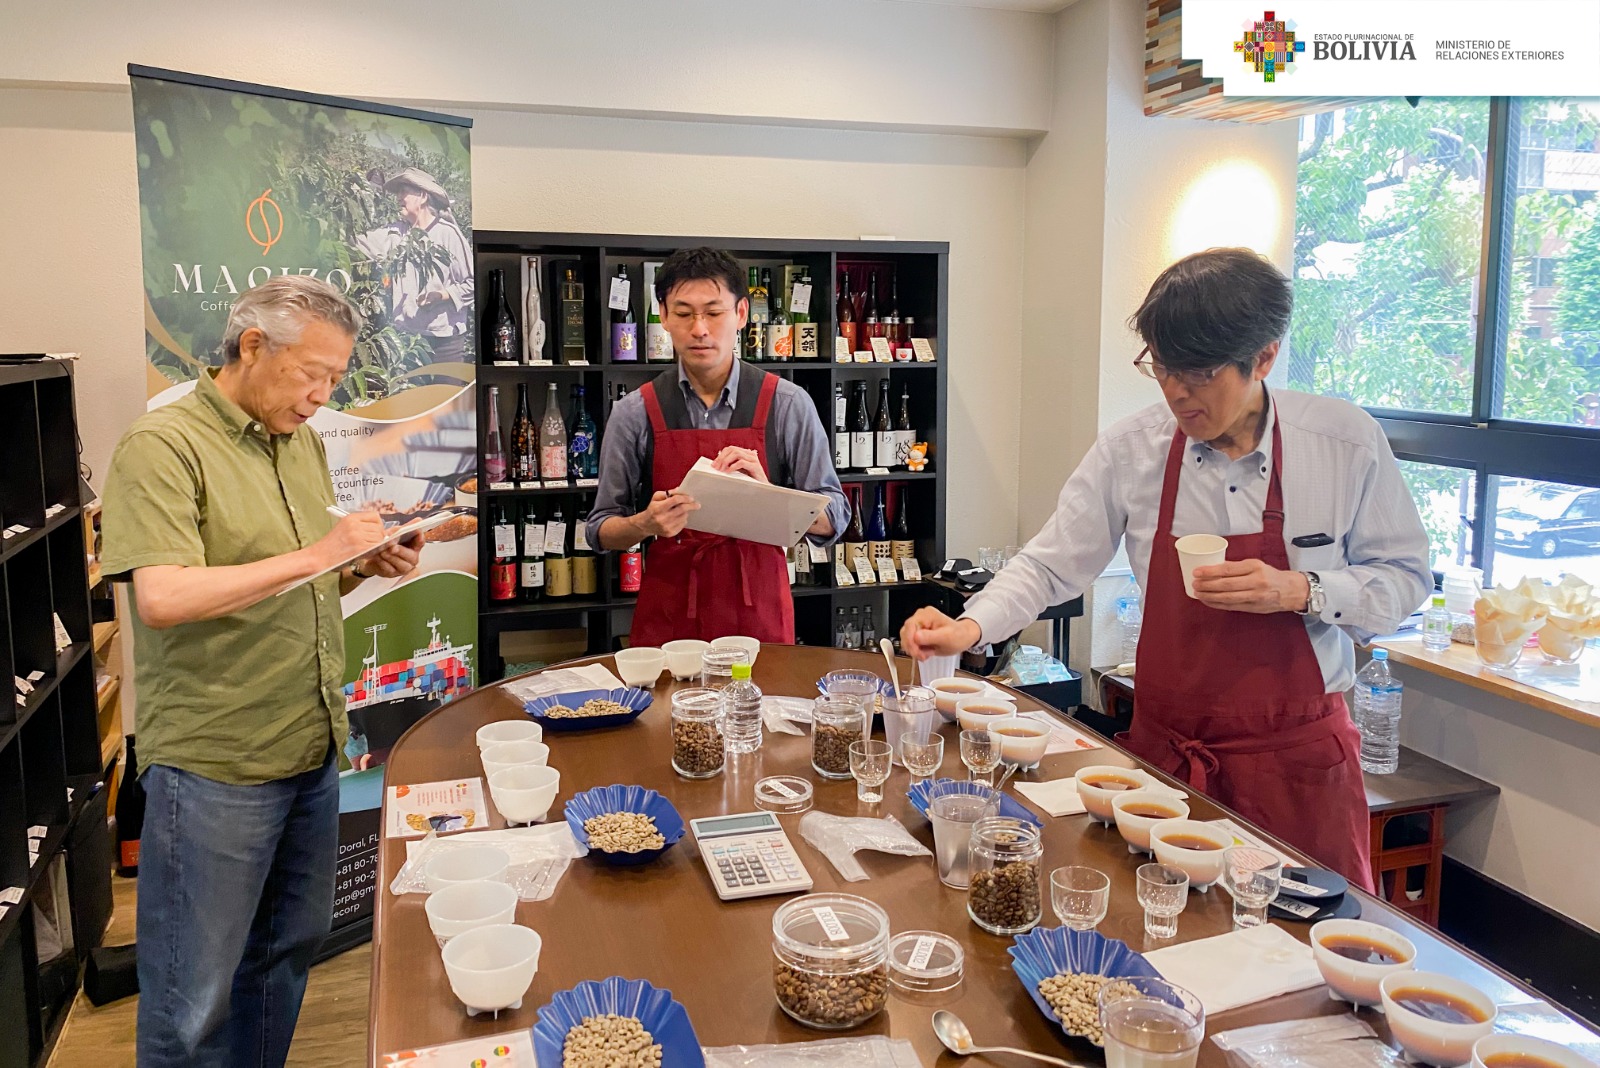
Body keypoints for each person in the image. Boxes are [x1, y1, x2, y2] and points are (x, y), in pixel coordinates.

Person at [901, 248, 1431, 891]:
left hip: (1295, 762)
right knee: (1160, 929)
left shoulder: (1343, 443)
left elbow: (1406, 579)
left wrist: (1302, 589)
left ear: (1263, 356)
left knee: (1312, 952)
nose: (1176, 391)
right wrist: (970, 627)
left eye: (1200, 372)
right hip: (1167, 759)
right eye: (1161, 366)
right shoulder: (1133, 449)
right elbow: (1049, 564)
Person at [100, 276, 422, 1068]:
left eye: (336, 380)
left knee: (282, 959)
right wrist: (322, 552)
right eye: (311, 373)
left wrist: (360, 564)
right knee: (192, 1001)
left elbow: (292, 577)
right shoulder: (165, 446)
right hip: (217, 764)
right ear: (251, 346)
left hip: (306, 745)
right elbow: (165, 596)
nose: (321, 397)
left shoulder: (299, 443)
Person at [586, 247, 849, 645]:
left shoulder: (787, 403)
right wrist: (646, 524)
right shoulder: (634, 412)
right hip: (672, 613)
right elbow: (600, 529)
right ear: (663, 315)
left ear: (742, 314)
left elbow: (836, 518)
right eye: (684, 312)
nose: (700, 328)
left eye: (713, 311)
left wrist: (770, 495)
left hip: (758, 611)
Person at [355, 166, 473, 361]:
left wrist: (442, 295)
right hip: (406, 340)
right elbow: (359, 240)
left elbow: (472, 283)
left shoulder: (447, 234)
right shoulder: (396, 233)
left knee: (446, 392)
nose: (399, 198)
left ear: (423, 196)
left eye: (404, 191)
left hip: (444, 343)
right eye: (398, 192)